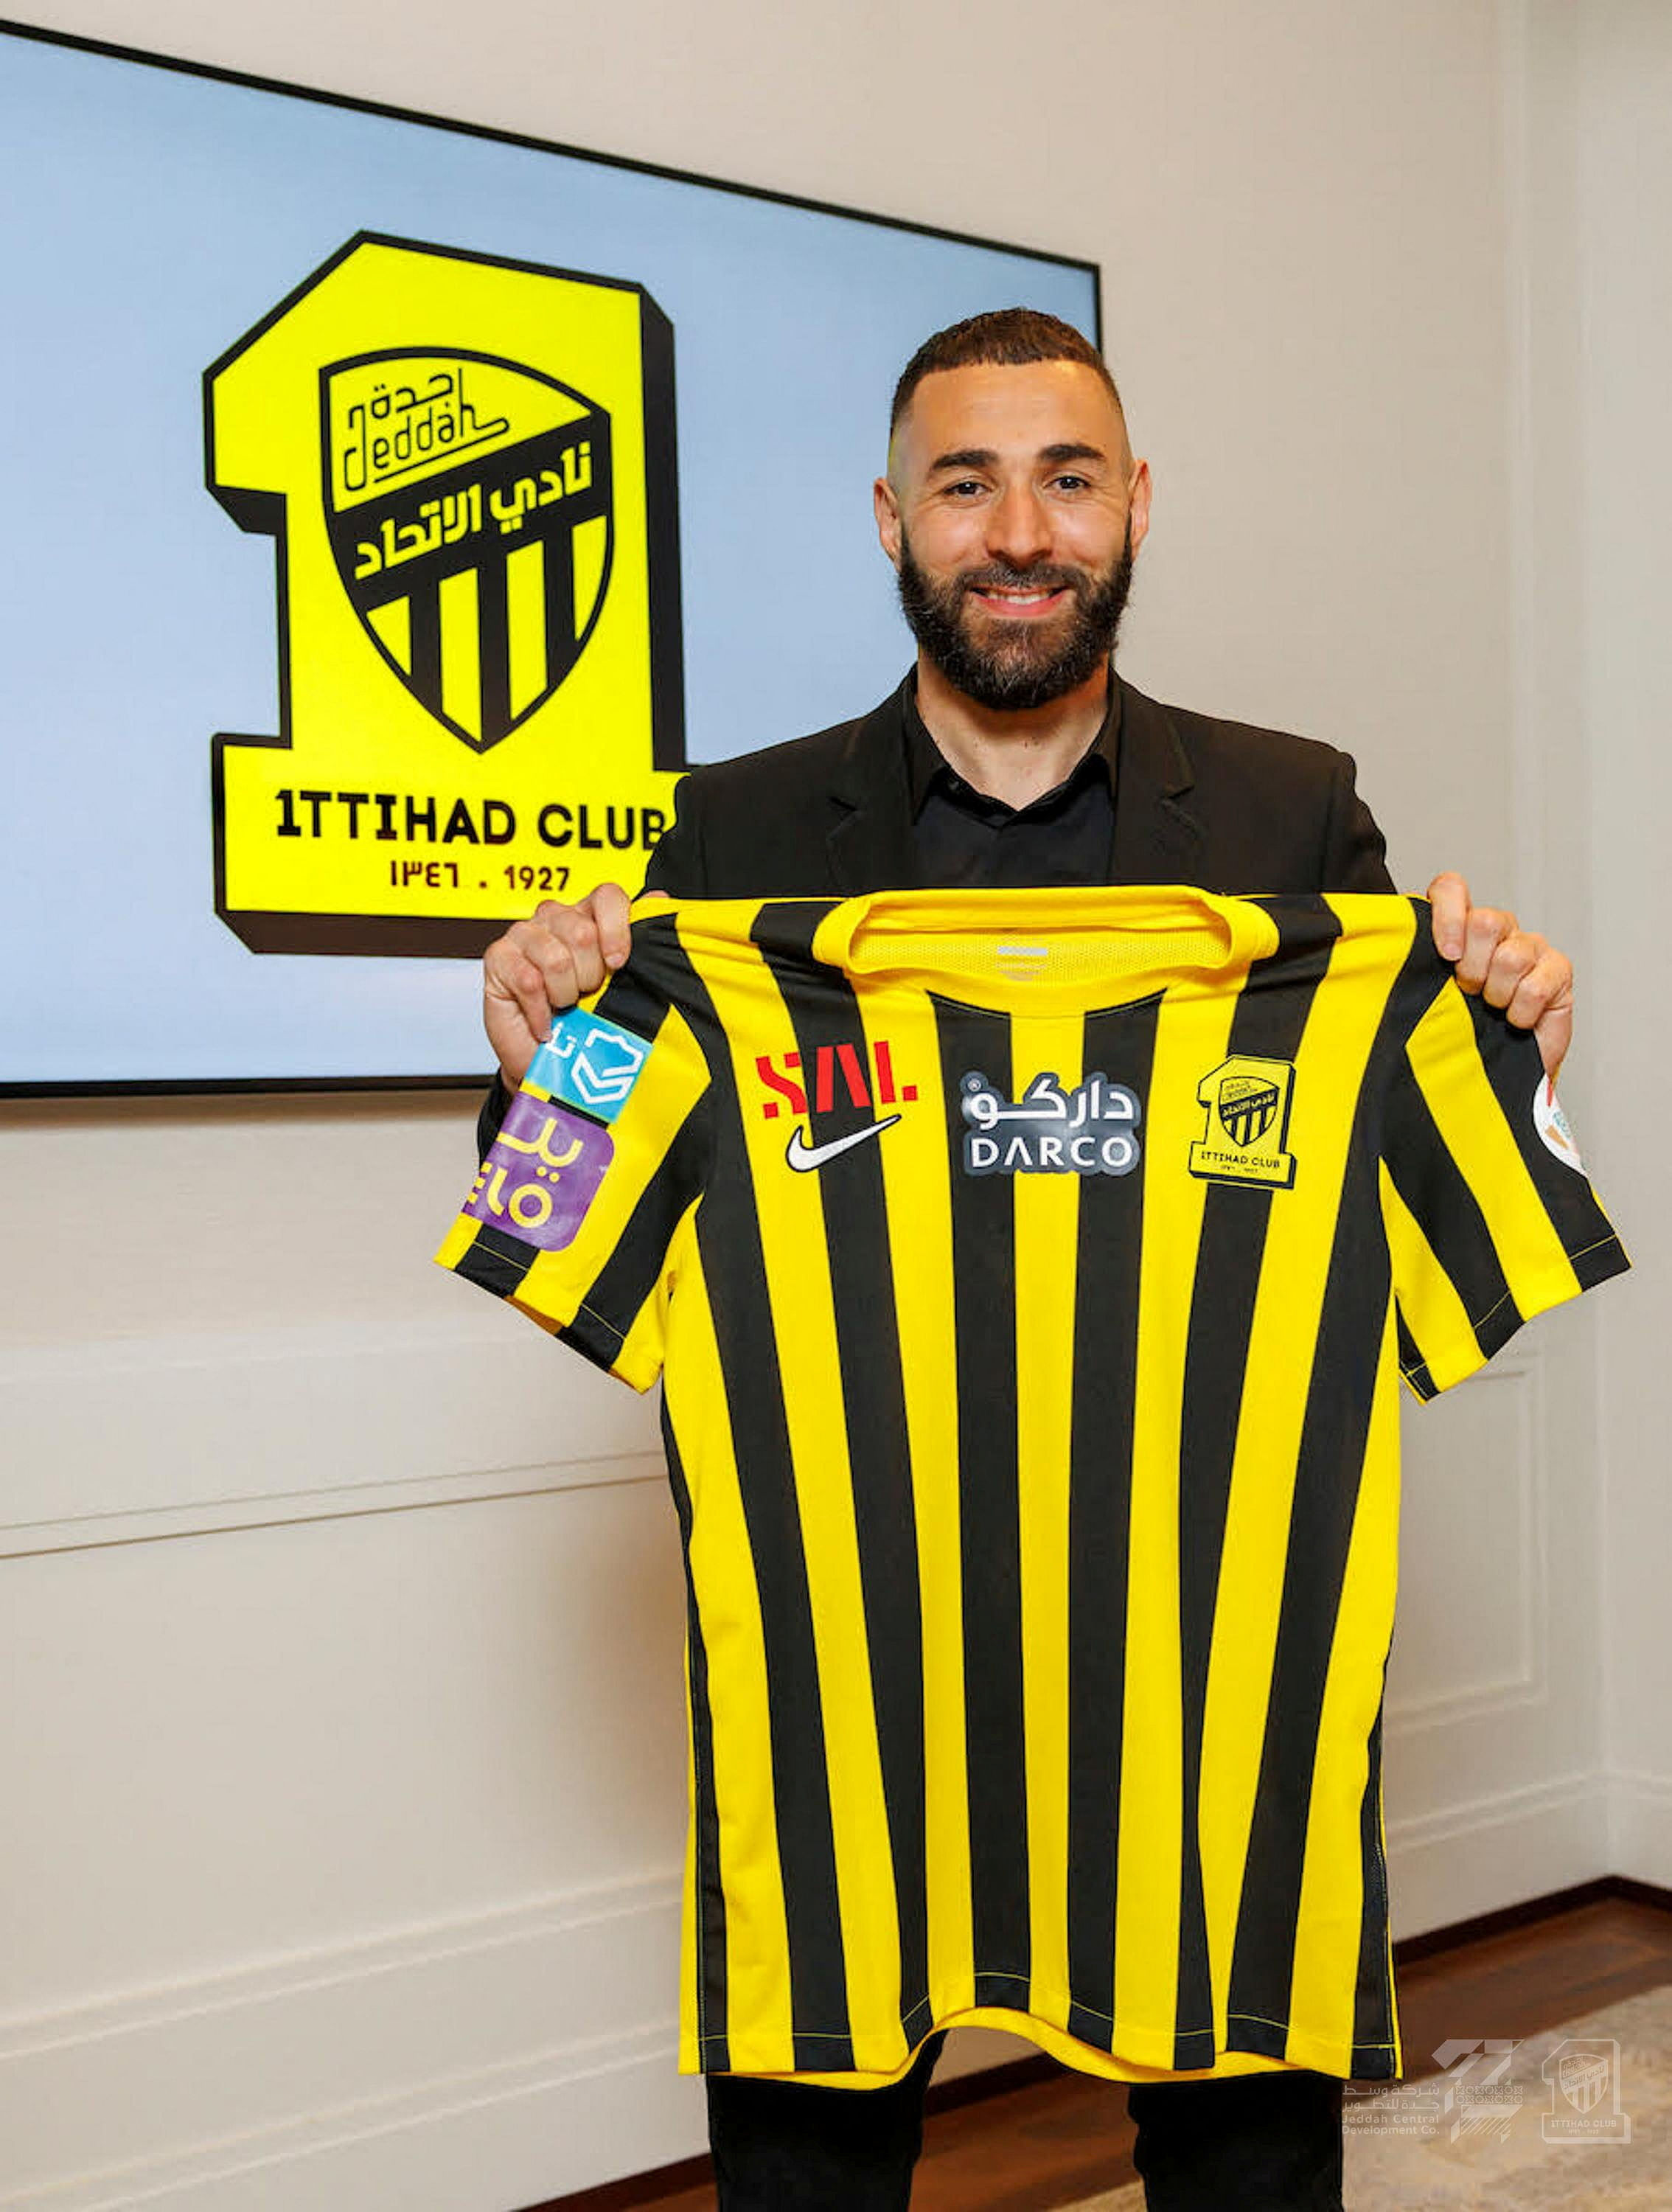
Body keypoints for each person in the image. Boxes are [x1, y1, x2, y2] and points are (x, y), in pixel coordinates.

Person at [473, 311, 1577, 2210]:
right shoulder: (730, 841)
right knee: (812, 2151)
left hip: (1202, 1674)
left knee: (1242, 2150)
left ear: (1133, 505)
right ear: (892, 518)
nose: (1019, 530)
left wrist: (1516, 1048)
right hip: (849, 1672)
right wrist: (533, 1065)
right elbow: (547, 1213)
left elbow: (1436, 1207)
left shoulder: (1294, 820)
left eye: (1066, 478)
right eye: (967, 484)